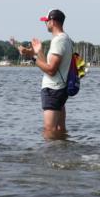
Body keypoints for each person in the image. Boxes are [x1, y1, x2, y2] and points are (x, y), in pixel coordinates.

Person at [16, 9, 73, 140]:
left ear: (52, 22)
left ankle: (50, 158)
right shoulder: (66, 39)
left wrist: (33, 58)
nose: (45, 24)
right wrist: (38, 52)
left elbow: (51, 70)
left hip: (53, 90)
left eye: (46, 21)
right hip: (59, 89)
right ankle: (62, 157)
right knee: (59, 129)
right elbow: (49, 65)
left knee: (49, 130)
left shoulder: (58, 41)